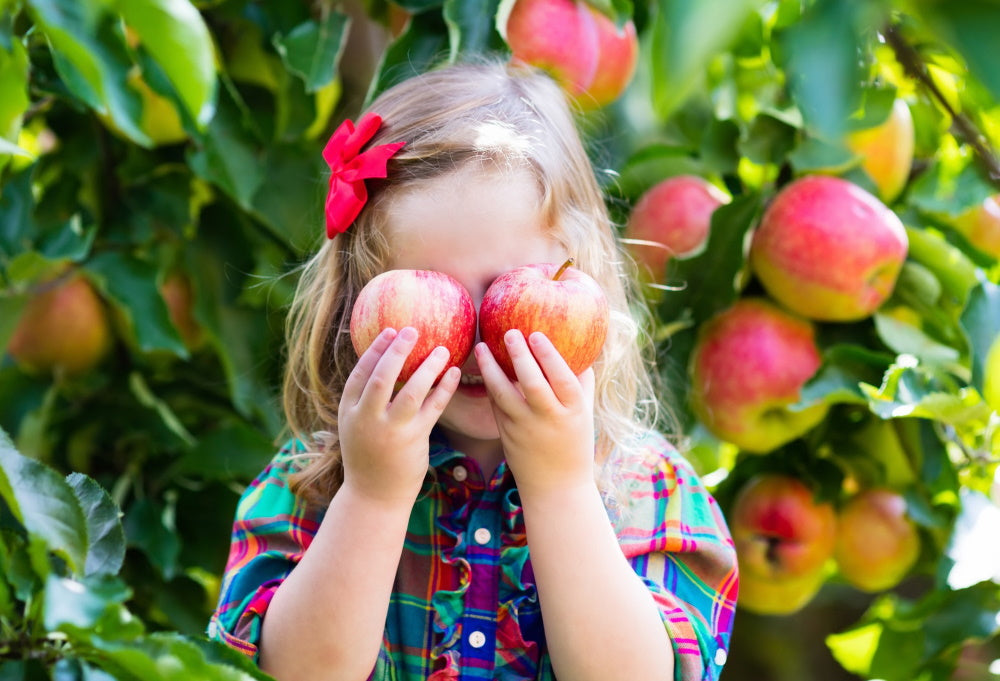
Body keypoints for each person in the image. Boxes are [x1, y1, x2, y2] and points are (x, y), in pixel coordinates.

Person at [208, 60, 738, 681]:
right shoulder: (315, 482)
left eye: (511, 290)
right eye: (435, 294)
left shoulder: (646, 486)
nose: (476, 342)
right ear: (358, 306)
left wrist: (561, 490)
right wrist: (373, 498)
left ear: (581, 280)